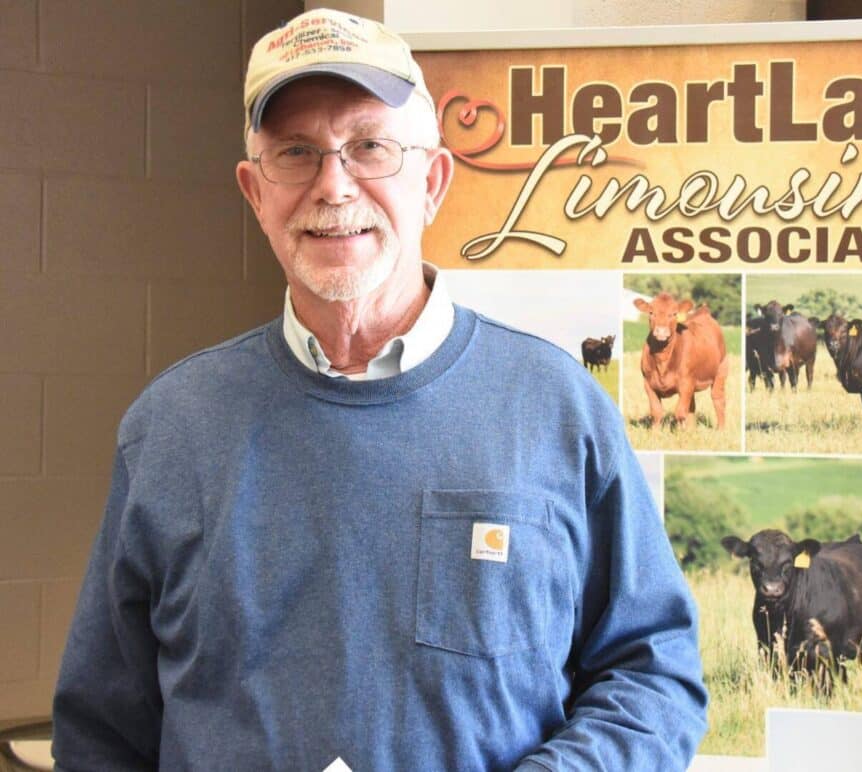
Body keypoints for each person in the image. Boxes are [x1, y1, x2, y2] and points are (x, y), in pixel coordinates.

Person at [51, 9, 707, 770]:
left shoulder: (556, 409)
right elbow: (102, 730)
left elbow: (652, 673)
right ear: (253, 192)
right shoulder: (172, 427)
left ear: (431, 181)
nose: (334, 185)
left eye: (369, 146)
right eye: (295, 153)